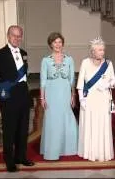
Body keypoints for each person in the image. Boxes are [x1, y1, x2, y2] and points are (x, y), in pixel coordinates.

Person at [0, 25, 34, 172]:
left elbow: (24, 77)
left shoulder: (24, 53)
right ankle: (9, 161)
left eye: (19, 36)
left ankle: (21, 156)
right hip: (8, 97)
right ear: (8, 36)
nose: (17, 38)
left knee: (23, 129)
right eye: (14, 35)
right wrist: (3, 98)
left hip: (22, 95)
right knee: (9, 130)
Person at [76, 37, 115, 162]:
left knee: (102, 125)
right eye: (99, 50)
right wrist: (82, 99)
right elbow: (80, 83)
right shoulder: (85, 62)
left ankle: (103, 153)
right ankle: (90, 153)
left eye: (103, 50)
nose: (102, 52)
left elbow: (113, 80)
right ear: (92, 51)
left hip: (103, 98)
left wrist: (108, 84)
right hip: (90, 99)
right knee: (90, 125)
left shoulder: (108, 64)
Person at [39, 32, 78, 160]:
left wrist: (73, 95)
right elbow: (43, 80)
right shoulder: (45, 60)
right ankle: (52, 151)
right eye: (55, 42)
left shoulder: (69, 59)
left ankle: (69, 148)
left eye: (60, 42)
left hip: (65, 92)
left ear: (63, 44)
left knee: (67, 119)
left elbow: (72, 79)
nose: (58, 44)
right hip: (51, 93)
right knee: (52, 120)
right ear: (50, 44)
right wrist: (42, 98)